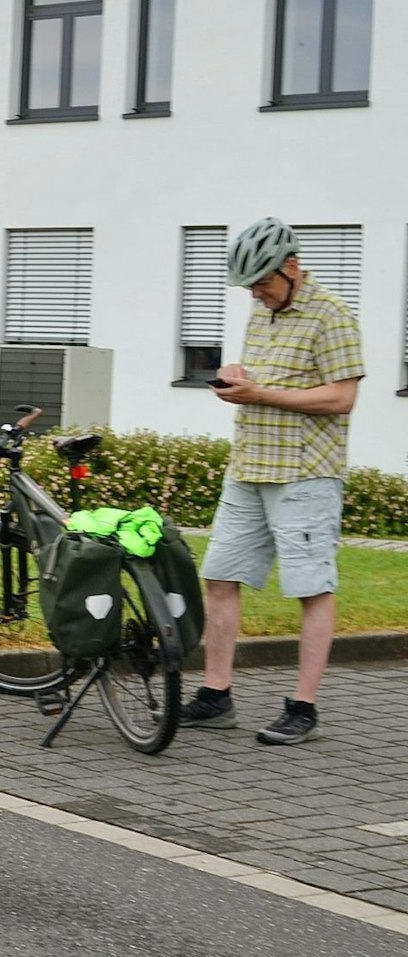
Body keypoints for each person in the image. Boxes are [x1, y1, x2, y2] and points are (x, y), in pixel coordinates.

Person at [179, 217, 363, 746]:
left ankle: (303, 707)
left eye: (262, 283)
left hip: (306, 475)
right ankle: (217, 696)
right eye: (250, 287)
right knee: (219, 577)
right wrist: (237, 374)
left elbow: (341, 397)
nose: (256, 295)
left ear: (291, 266)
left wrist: (262, 395)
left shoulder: (334, 317)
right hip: (248, 468)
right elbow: (262, 374)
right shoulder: (261, 312)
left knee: (311, 588)